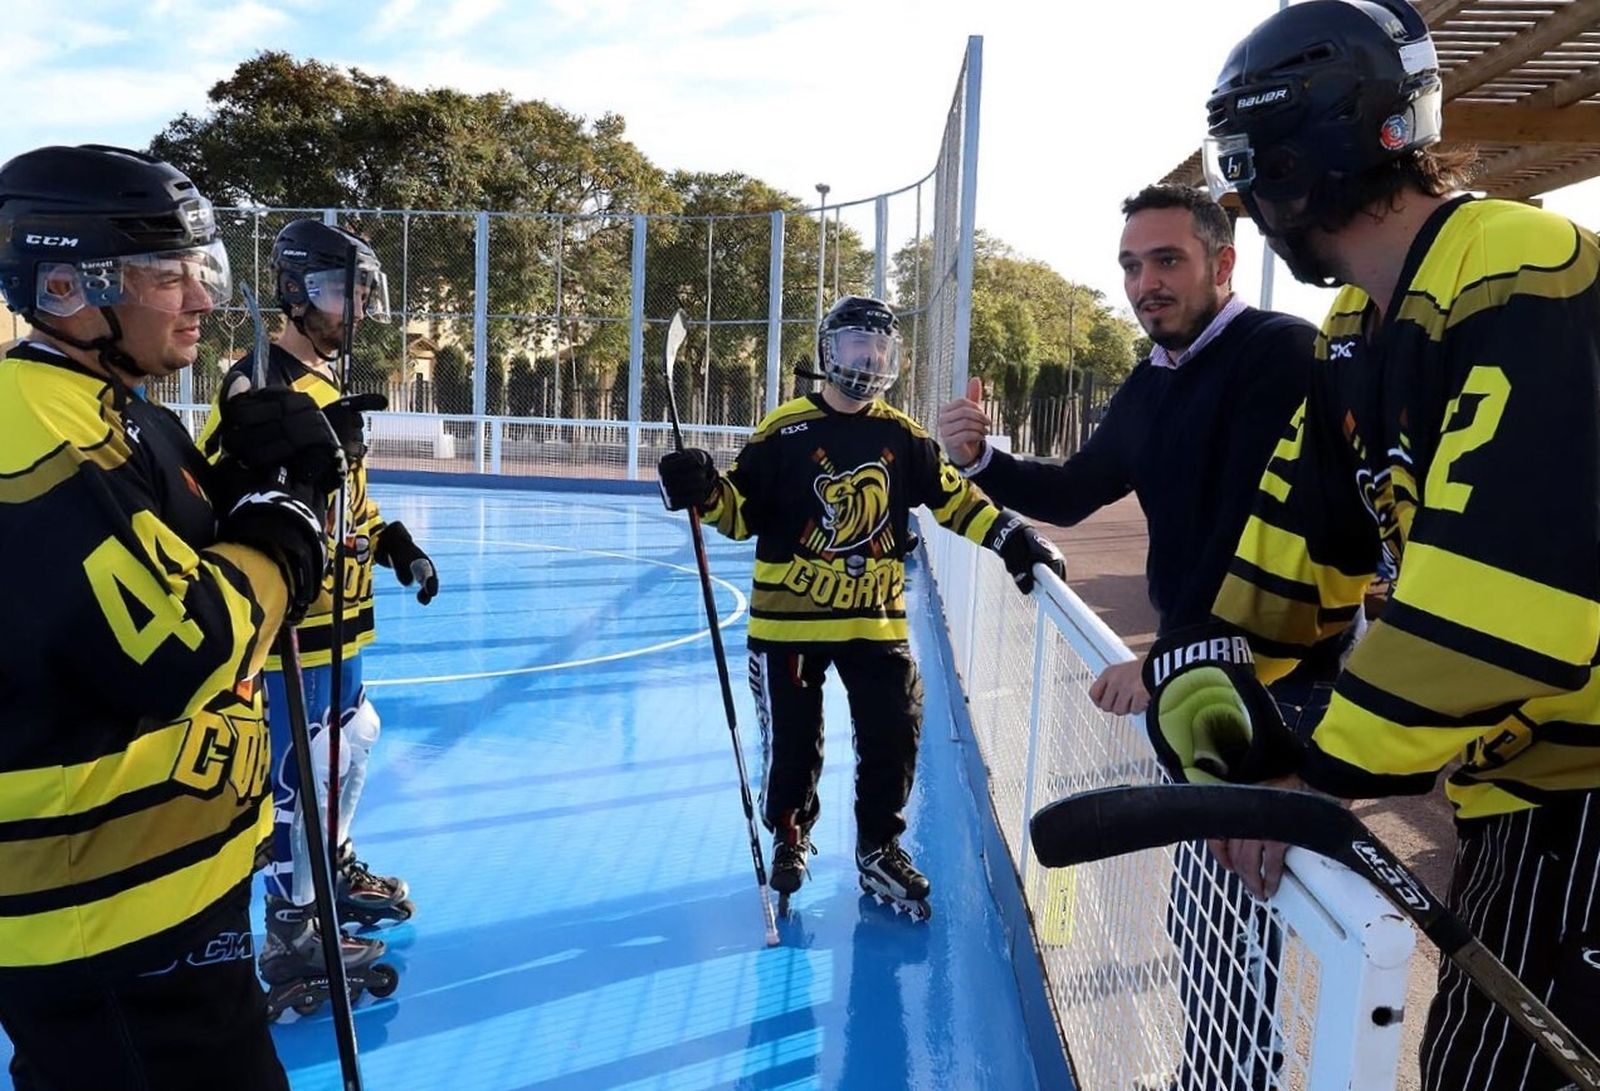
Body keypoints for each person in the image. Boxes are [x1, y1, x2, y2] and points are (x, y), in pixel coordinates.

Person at [1151, 2, 1600, 1088]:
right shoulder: (1361, 330)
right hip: (1521, 801)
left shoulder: (1520, 264)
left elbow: (1510, 599)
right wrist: (1205, 689)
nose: (1247, 199)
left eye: (1242, 165)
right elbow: (1292, 552)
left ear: (1288, 164)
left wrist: (1313, 770)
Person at [939, 187, 1327, 1089]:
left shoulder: (1277, 354)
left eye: (1165, 261)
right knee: (1211, 917)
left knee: (1247, 914)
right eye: (1129, 264)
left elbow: (1257, 532)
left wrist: (1166, 661)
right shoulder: (1155, 373)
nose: (1144, 283)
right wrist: (982, 462)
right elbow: (1077, 490)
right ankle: (1221, 1071)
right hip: (1206, 675)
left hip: (1276, 681)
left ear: (1222, 263)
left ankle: (1238, 1075)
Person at [0, 145, 341, 1089]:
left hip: (174, 899)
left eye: (202, 270)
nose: (200, 299)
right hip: (103, 921)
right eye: (168, 274)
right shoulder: (30, 425)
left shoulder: (126, 413)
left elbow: (198, 554)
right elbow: (181, 646)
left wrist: (265, 485)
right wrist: (285, 531)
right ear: (67, 281)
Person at [657, 295, 1063, 919]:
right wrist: (701, 487)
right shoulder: (784, 430)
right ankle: (790, 836)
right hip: (787, 627)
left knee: (895, 732)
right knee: (793, 745)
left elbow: (956, 500)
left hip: (875, 624)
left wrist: (1011, 536)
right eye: (856, 344)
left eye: (880, 347)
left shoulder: (901, 435)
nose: (868, 357)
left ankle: (880, 846)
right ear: (829, 352)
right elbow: (737, 511)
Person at [199, 219, 436, 1016]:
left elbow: (347, 501)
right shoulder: (257, 383)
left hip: (345, 619)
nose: (356, 309)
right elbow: (220, 495)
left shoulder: (328, 386)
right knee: (300, 770)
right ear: (296, 292)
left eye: (364, 292)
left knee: (350, 739)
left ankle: (326, 870)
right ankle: (292, 926)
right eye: (341, 291)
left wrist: (392, 540)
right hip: (292, 623)